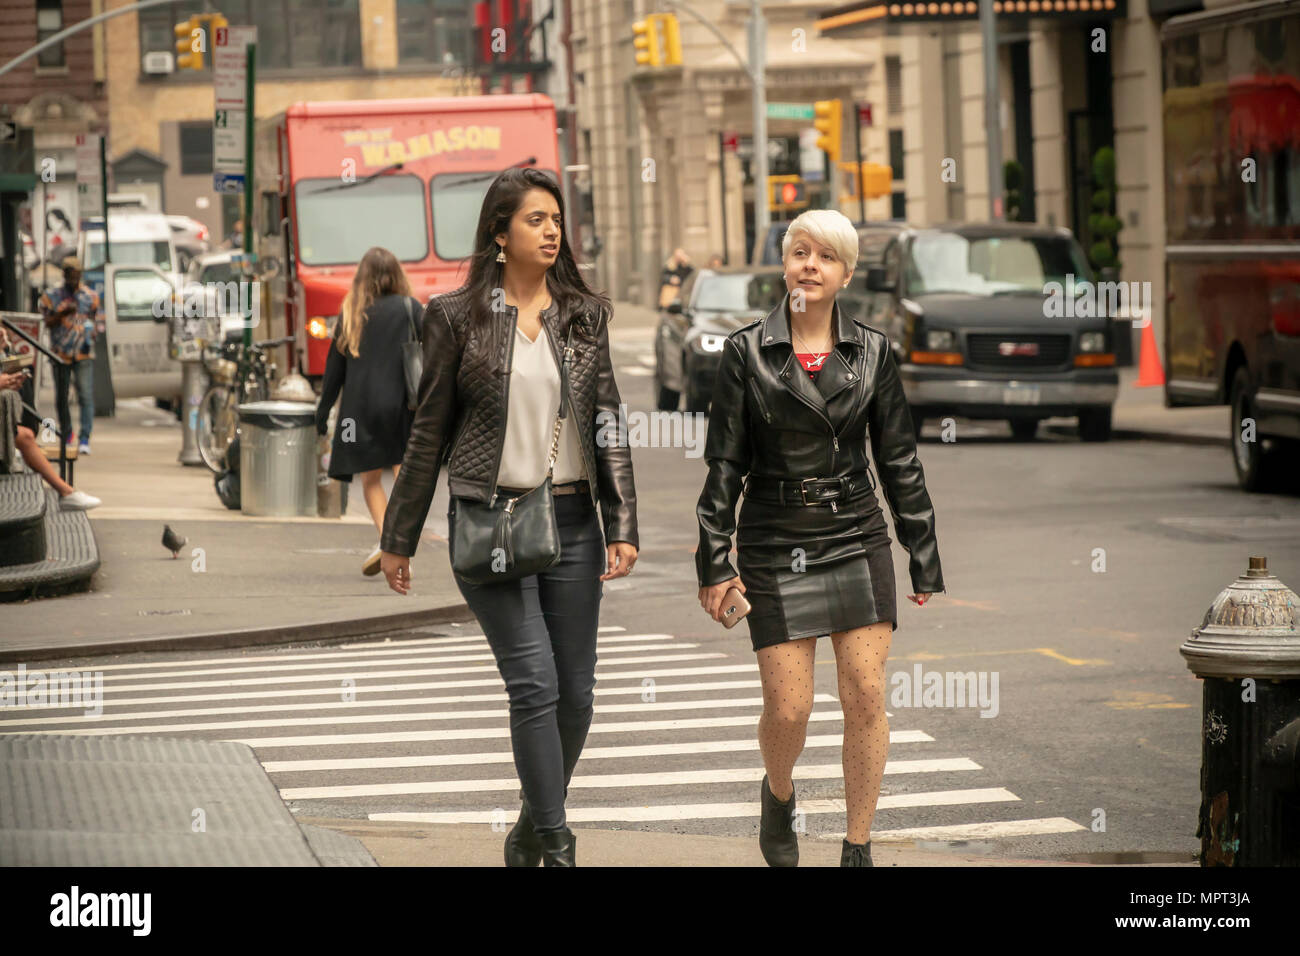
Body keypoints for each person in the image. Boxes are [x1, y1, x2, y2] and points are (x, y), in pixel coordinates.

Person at [378, 167, 638, 867]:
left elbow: (608, 422)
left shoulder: (583, 314)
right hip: (491, 521)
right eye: (535, 220)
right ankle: (555, 841)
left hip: (575, 522)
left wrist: (623, 522)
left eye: (556, 220)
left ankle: (530, 826)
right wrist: (398, 538)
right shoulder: (457, 317)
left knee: (576, 695)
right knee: (535, 683)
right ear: (499, 234)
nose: (551, 231)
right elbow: (427, 431)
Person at [694, 208, 944, 868]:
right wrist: (714, 559)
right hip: (775, 541)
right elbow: (724, 464)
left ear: (845, 274)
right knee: (791, 707)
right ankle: (779, 793)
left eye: (825, 256)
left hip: (856, 534)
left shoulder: (873, 352)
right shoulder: (747, 352)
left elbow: (899, 460)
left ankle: (857, 843)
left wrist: (921, 550)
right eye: (799, 251)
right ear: (784, 264)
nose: (810, 264)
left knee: (865, 692)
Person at [314, 247, 422, 576]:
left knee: (371, 481)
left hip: (358, 410)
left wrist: (321, 415)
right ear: (397, 275)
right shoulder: (410, 308)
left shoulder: (351, 313)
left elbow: (333, 373)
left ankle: (387, 539)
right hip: (401, 404)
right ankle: (399, 541)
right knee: (405, 473)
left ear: (362, 278)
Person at [0, 329, 100, 510]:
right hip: (64, 350)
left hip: (82, 351)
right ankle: (66, 491)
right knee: (25, 436)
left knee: (27, 431)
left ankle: (82, 440)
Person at [37, 257, 97, 455]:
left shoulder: (89, 296)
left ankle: (85, 437)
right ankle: (68, 434)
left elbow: (95, 318)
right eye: (71, 277)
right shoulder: (51, 296)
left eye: (77, 276)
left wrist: (93, 331)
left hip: (83, 352)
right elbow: (45, 322)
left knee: (85, 395)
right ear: (64, 275)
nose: (74, 281)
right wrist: (62, 314)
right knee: (62, 397)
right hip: (60, 354)